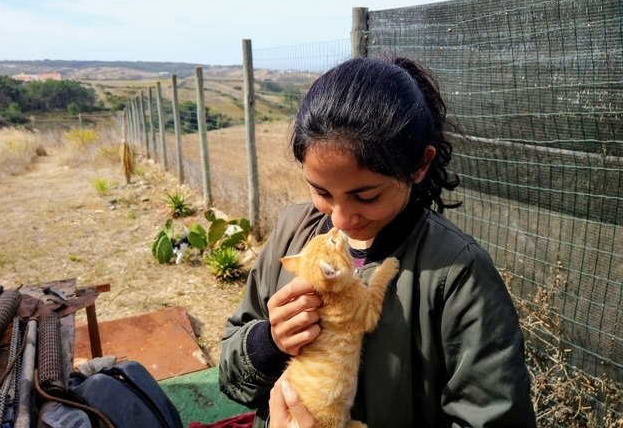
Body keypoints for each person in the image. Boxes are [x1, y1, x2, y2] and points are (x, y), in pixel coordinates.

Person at [218, 57, 536, 427]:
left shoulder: (456, 274)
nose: (338, 219)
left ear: (420, 165)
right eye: (321, 192)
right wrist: (268, 343)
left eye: (366, 197)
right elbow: (231, 375)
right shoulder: (294, 231)